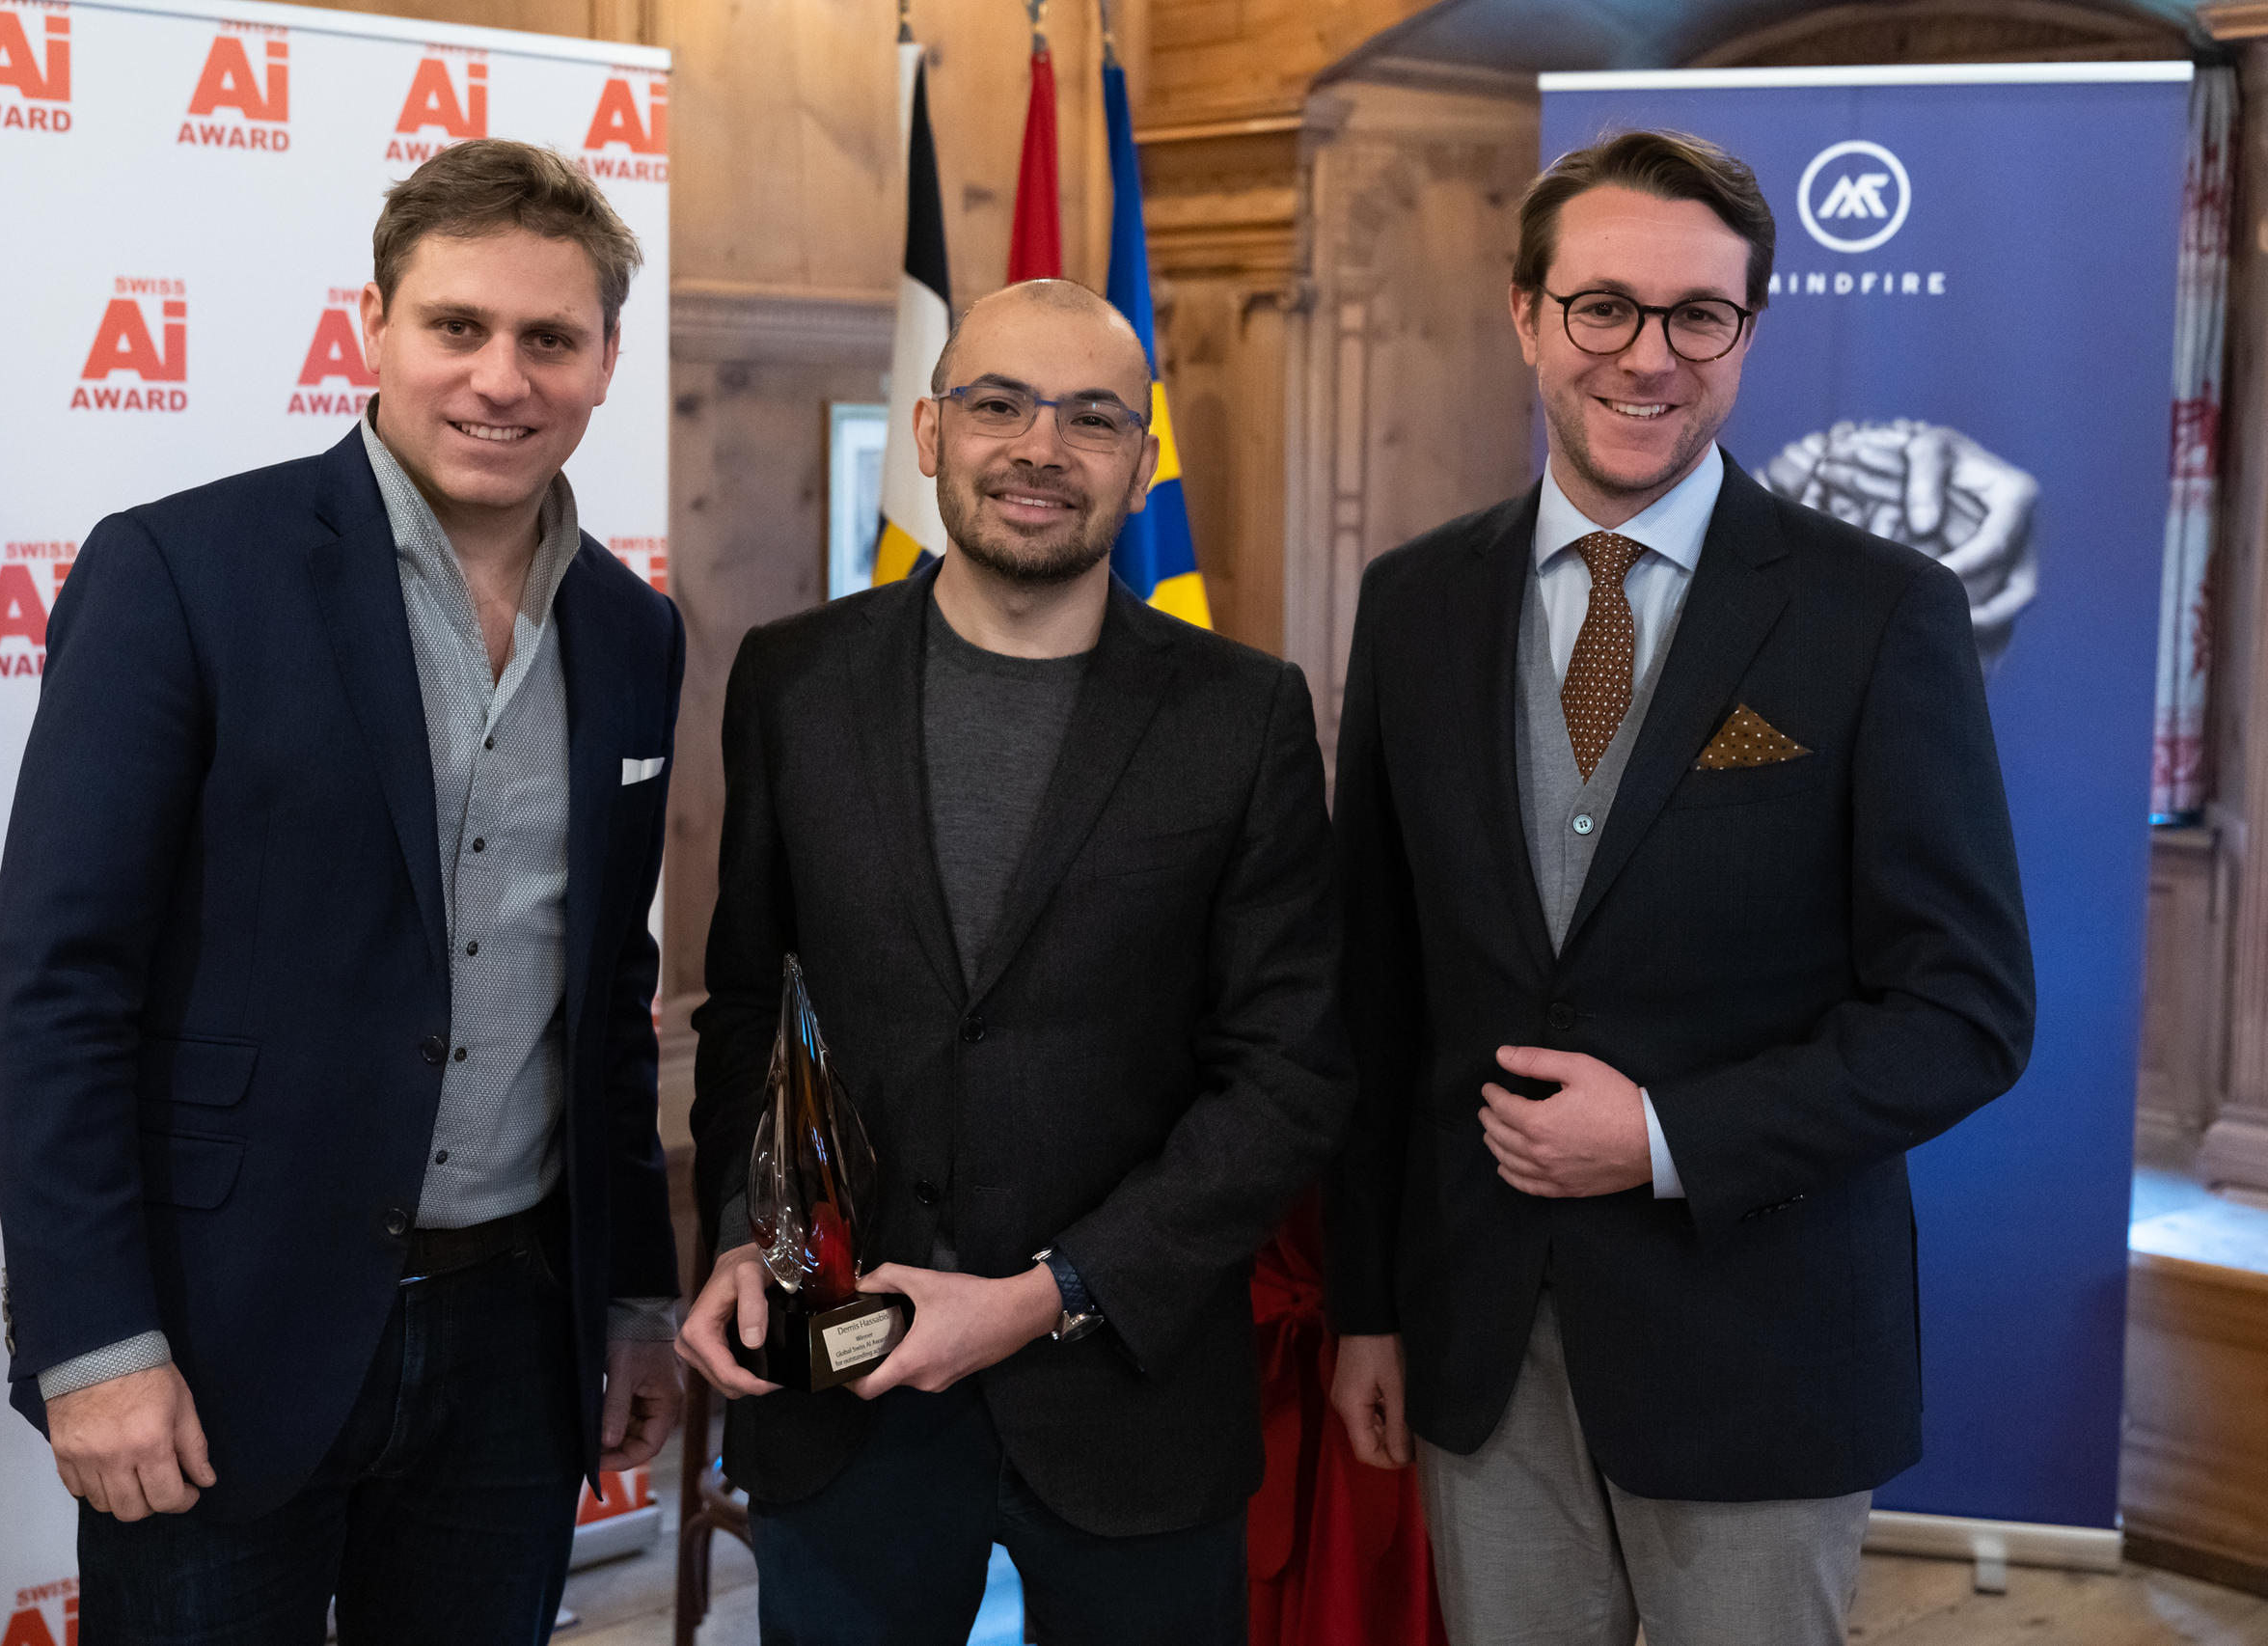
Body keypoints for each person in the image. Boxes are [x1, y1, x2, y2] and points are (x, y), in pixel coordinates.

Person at [1323, 129, 2036, 1646]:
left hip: (1762, 1345)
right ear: (1527, 315)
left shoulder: (1880, 614)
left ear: (1746, 335)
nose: (1648, 357)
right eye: (1603, 308)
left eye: (1696, 316)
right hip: (1480, 1344)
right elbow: (1376, 1000)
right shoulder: (1414, 603)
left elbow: (1966, 1012)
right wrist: (1368, 1304)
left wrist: (1658, 1136)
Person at [0, 139, 685, 1643]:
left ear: (608, 362)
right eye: (459, 327)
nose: (501, 378)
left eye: (550, 339)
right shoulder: (184, 569)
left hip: (516, 1338)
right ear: (377, 323)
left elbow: (606, 997)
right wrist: (93, 1339)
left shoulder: (637, 633)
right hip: (220, 1332)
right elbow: (60, 983)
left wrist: (633, 1297)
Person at [676, 279, 1353, 1645]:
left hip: (1131, 1397)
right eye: (999, 404)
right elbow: (754, 997)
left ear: (1141, 461)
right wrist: (750, 1234)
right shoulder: (793, 680)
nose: (1041, 447)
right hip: (843, 1388)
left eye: (1093, 417)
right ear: (929, 432)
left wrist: (1049, 1294)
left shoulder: (1245, 715)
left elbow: (1288, 1075)